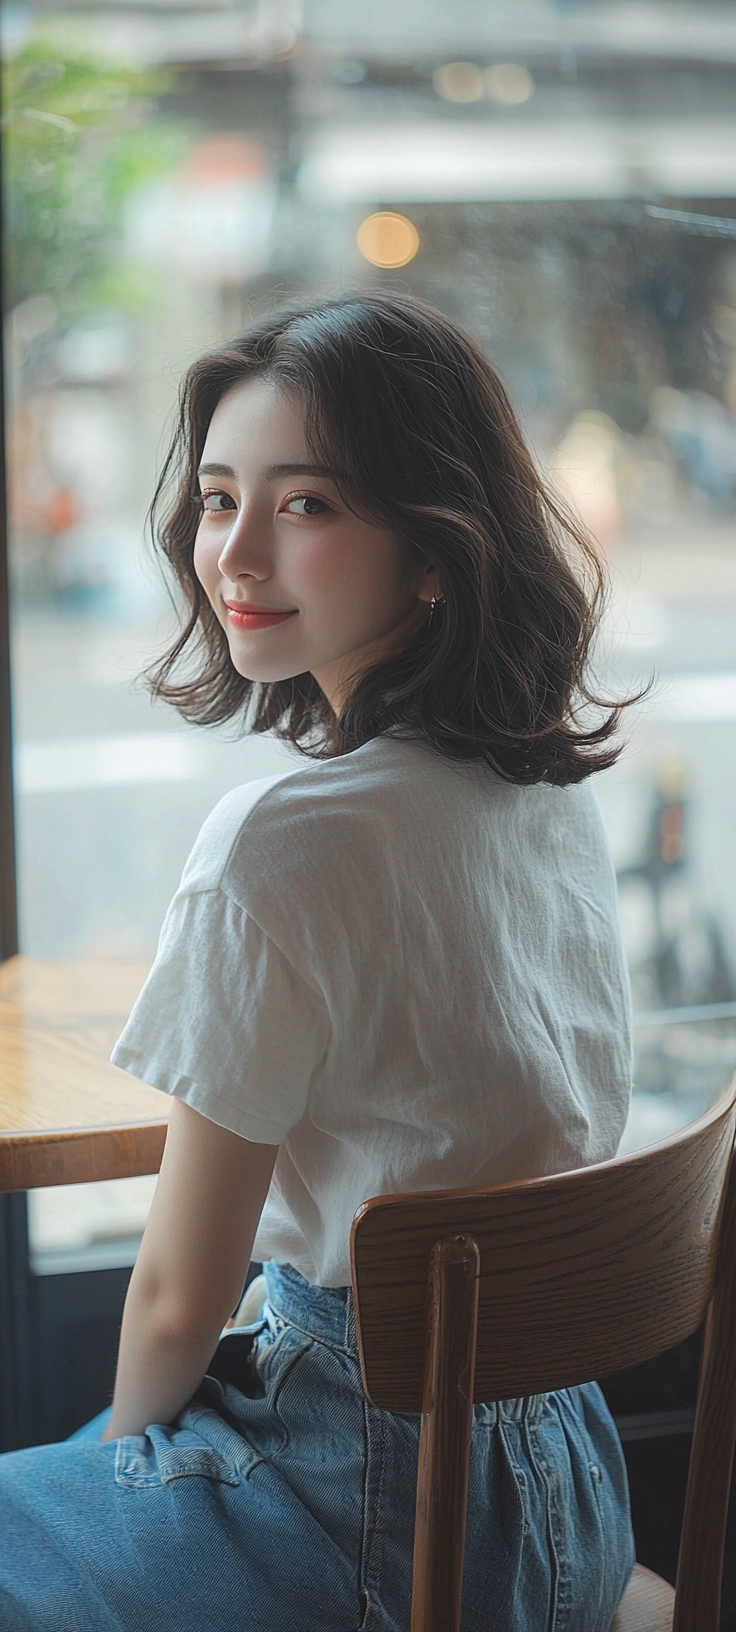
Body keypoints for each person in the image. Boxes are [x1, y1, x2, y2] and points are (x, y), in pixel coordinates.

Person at [0, 292, 637, 1631]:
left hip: (368, 1504)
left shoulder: (280, 840)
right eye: (220, 497)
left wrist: (124, 1462)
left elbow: (178, 1300)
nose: (234, 551)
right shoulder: (544, 789)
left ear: (434, 548)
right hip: (572, 1490)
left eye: (307, 506)